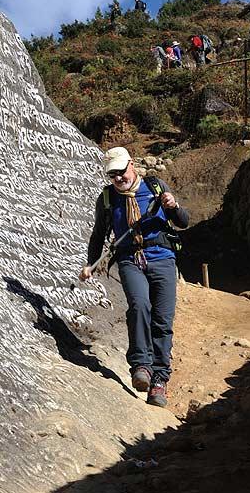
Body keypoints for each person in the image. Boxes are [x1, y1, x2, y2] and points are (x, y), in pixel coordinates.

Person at [79, 147, 189, 407]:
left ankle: (160, 381)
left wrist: (172, 207)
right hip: (130, 259)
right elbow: (98, 235)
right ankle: (141, 365)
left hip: (162, 257)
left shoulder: (155, 187)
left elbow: (183, 221)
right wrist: (90, 264)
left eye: (121, 171)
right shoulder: (107, 199)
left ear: (132, 165)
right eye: (112, 174)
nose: (118, 178)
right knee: (139, 305)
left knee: (163, 319)